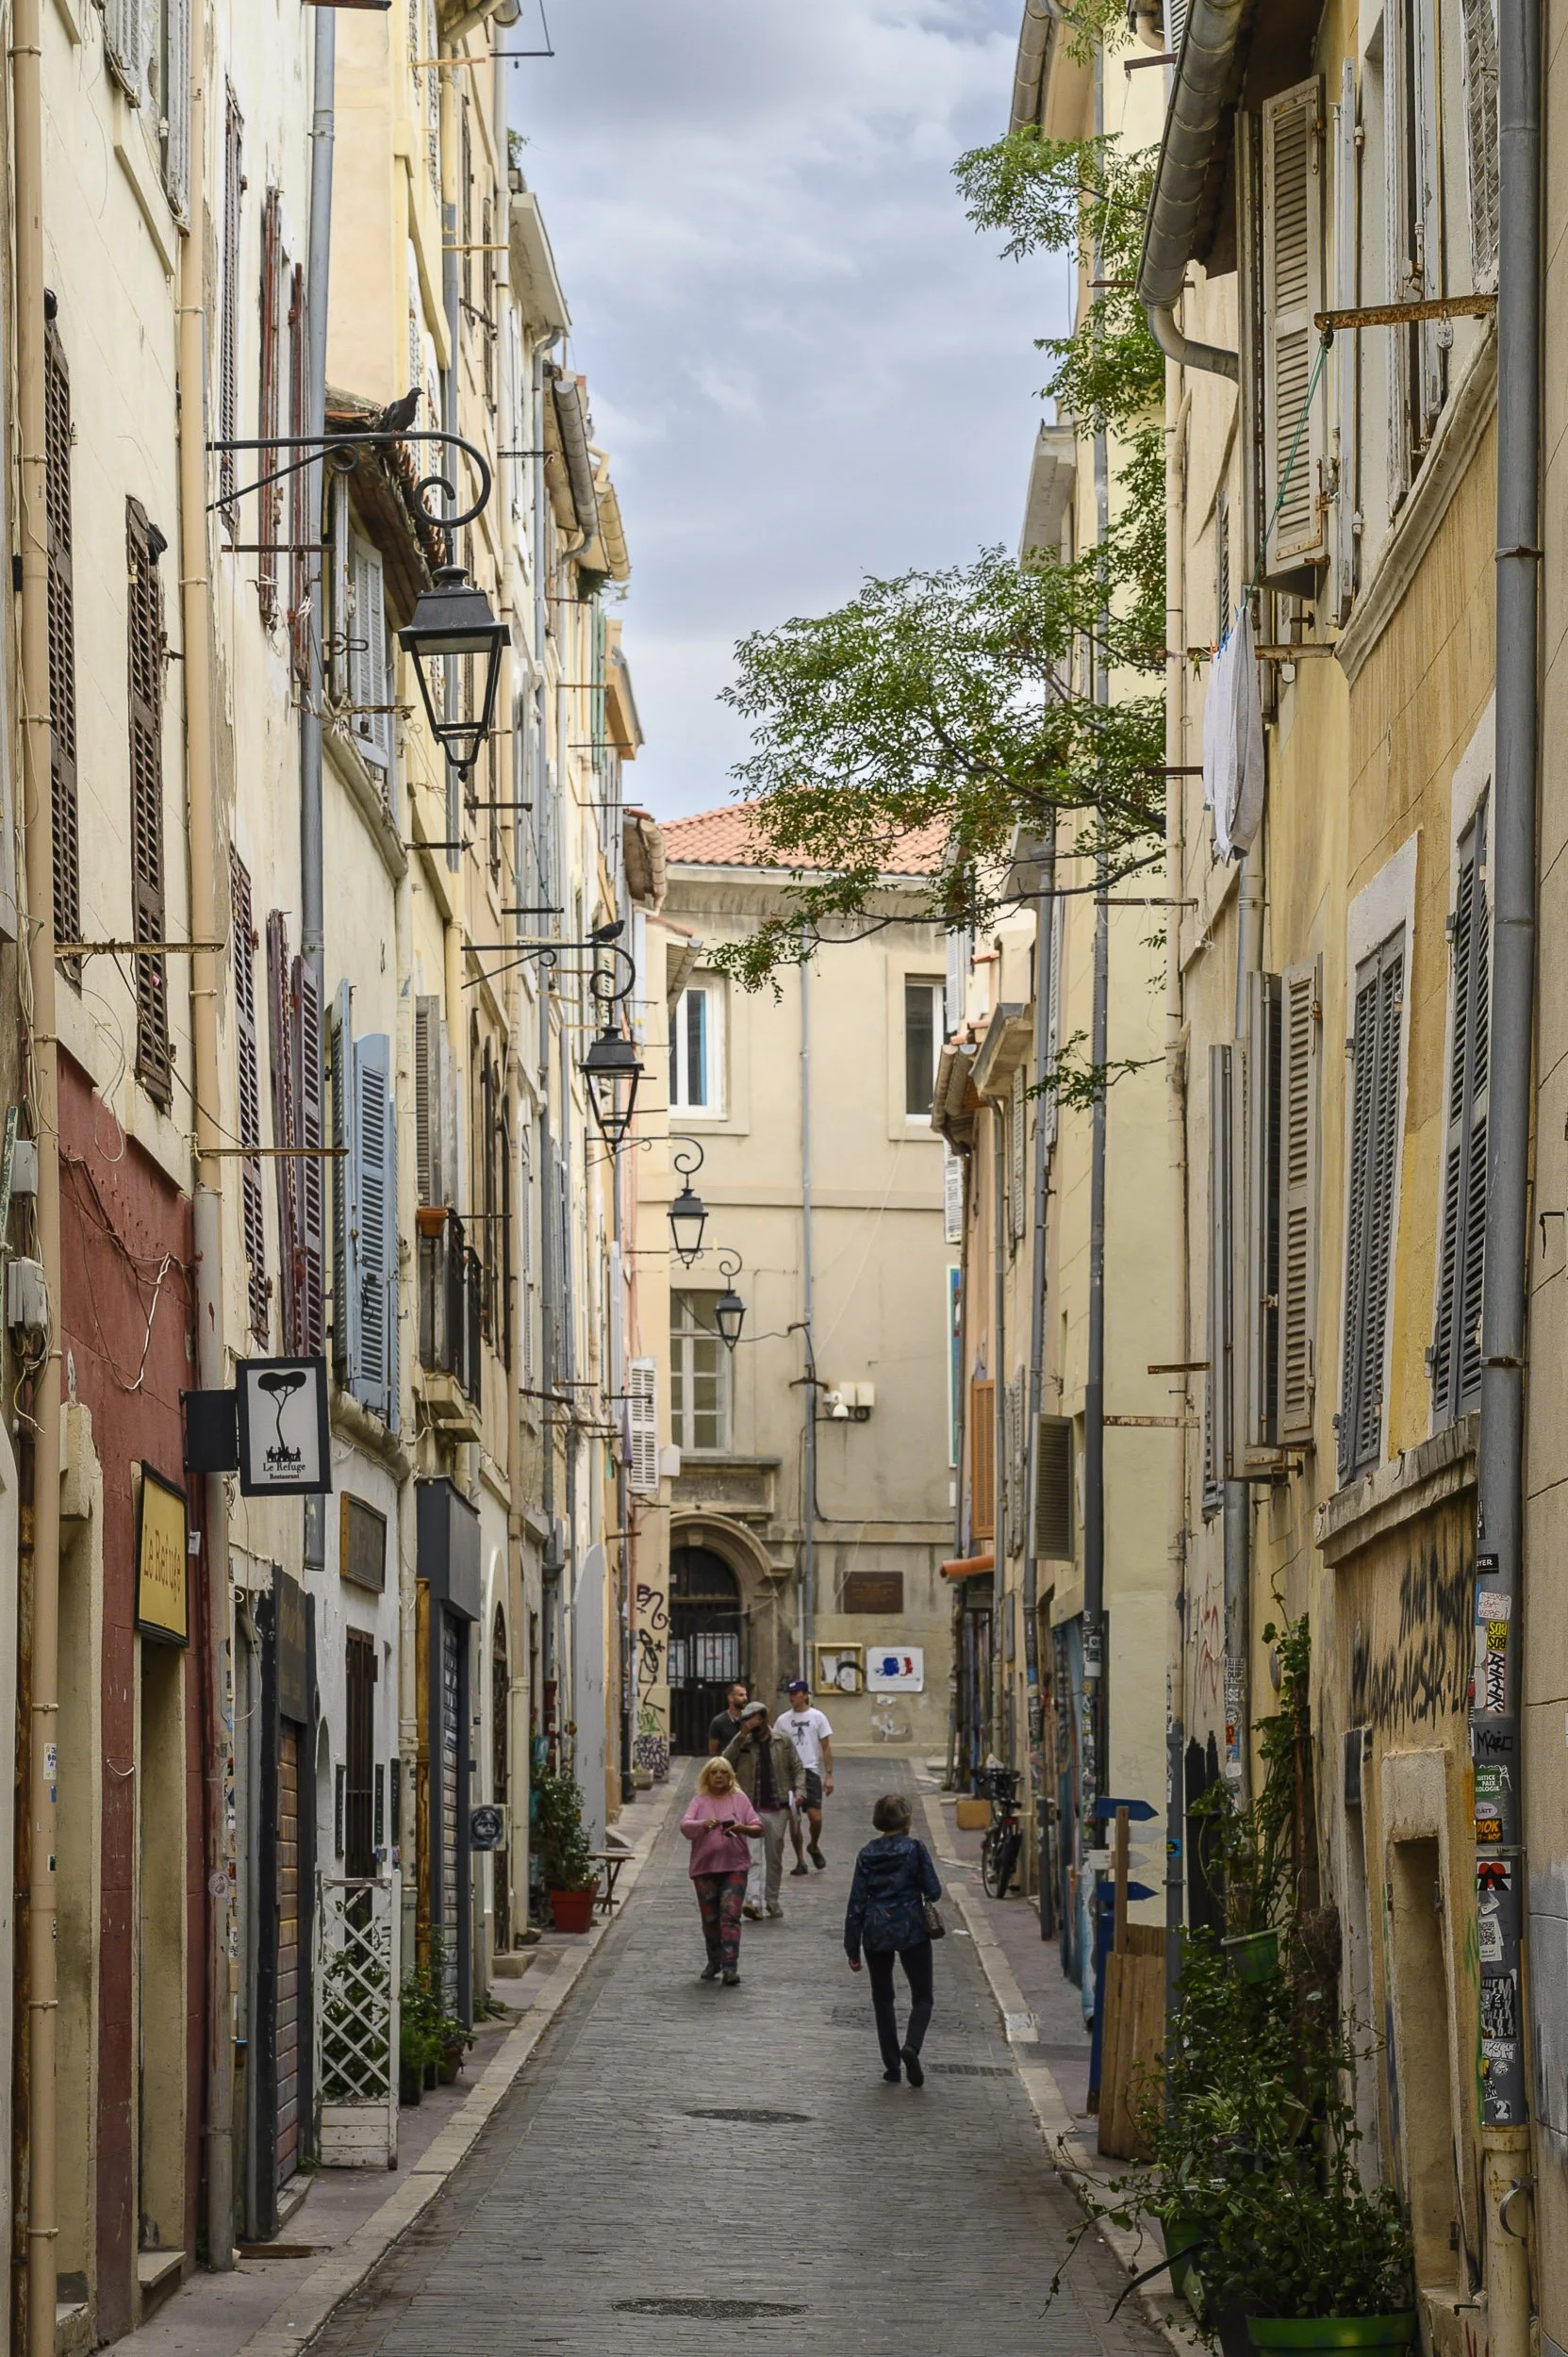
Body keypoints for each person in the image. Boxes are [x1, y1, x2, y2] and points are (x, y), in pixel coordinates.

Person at [844, 1793, 943, 2085]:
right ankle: (911, 2047)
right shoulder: (915, 1849)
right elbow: (934, 1890)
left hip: (876, 1929)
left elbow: (856, 1903)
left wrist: (852, 1946)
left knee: (883, 1998)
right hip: (911, 1926)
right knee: (922, 1996)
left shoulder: (867, 1854)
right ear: (906, 1819)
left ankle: (891, 2065)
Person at [680, 1756, 762, 1986]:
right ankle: (713, 1960)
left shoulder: (740, 1800)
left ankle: (729, 1965)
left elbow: (758, 1827)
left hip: (734, 1867)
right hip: (705, 1868)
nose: (719, 1776)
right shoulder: (699, 1801)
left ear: (730, 1777)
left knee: (730, 1915)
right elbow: (685, 1826)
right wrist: (703, 1824)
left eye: (723, 1772)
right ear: (707, 1776)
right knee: (710, 1918)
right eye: (714, 1772)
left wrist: (741, 1827)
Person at [723, 1700, 803, 1920]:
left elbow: (797, 1768)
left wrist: (800, 1792)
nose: (752, 1724)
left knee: (774, 1857)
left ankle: (772, 1900)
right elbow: (724, 1762)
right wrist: (740, 1736)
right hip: (750, 1808)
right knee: (753, 1858)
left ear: (764, 1718)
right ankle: (754, 1902)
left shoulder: (782, 1741)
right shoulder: (744, 1743)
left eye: (755, 1719)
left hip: (777, 1807)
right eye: (748, 1720)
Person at [775, 1678, 834, 1871]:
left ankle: (813, 1845)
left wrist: (829, 1775)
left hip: (810, 1771)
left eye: (795, 1694)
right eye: (790, 1694)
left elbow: (825, 1747)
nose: (792, 1697)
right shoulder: (783, 1720)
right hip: (790, 1773)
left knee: (816, 1817)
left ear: (805, 1695)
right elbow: (776, 1746)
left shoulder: (818, 1717)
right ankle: (800, 1860)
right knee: (794, 1818)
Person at [707, 1680, 749, 1756]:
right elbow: (713, 1752)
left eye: (746, 1695)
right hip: (726, 1764)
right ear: (730, 1698)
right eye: (741, 1695)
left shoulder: (748, 1719)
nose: (745, 1698)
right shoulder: (718, 1722)